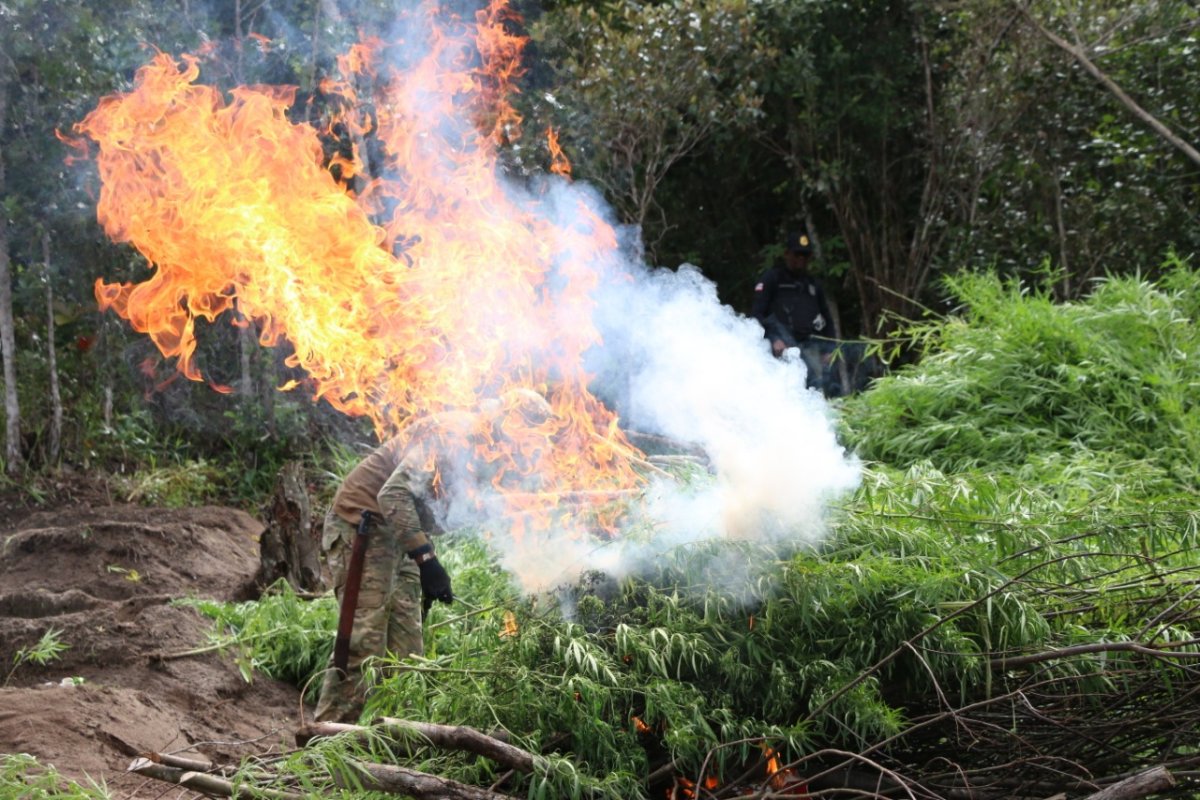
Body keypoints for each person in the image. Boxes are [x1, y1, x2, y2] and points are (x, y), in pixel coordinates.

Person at [312, 413, 462, 723]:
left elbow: (438, 508)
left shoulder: (487, 451)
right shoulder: (449, 432)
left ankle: (394, 738)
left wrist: (425, 557)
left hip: (398, 535)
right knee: (363, 641)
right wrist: (426, 560)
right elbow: (391, 494)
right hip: (363, 526)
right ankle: (328, 742)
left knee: (408, 652)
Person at [751, 230, 839, 394]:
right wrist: (773, 338)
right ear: (787, 254)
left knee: (815, 388)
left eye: (805, 256)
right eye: (797, 255)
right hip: (778, 350)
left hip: (807, 347)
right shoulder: (773, 279)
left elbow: (826, 319)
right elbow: (756, 315)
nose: (801, 259)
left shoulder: (812, 285)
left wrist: (830, 349)